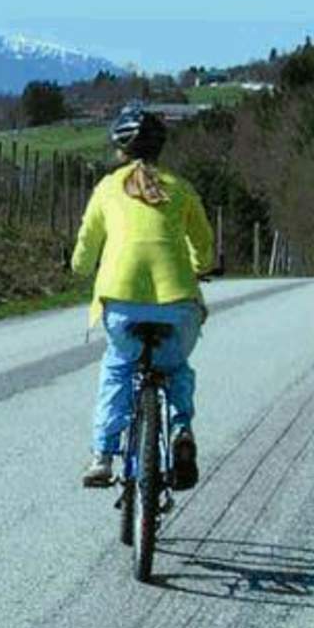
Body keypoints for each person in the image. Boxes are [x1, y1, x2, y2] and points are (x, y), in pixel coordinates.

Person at [72, 105, 216, 491]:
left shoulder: (106, 189)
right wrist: (202, 266)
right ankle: (181, 430)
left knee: (118, 367)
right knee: (175, 368)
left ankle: (102, 455)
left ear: (120, 148)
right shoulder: (182, 189)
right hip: (178, 304)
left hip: (120, 302)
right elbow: (204, 248)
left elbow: (85, 251)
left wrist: (80, 267)